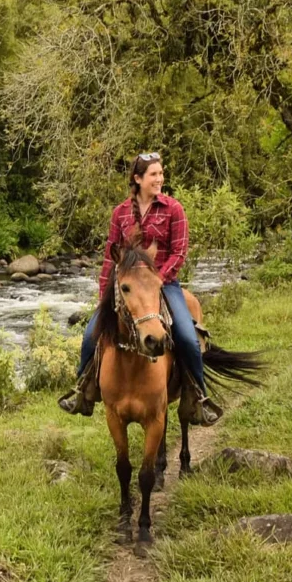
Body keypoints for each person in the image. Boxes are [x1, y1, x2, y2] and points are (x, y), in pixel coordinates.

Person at [59, 152, 220, 425]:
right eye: (154, 174)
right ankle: (82, 391)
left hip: (164, 284)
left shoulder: (173, 209)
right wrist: (104, 296)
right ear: (138, 179)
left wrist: (157, 280)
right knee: (90, 335)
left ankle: (199, 398)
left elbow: (179, 252)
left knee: (187, 337)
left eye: (161, 173)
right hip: (127, 288)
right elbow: (111, 259)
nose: (160, 179)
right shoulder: (120, 213)